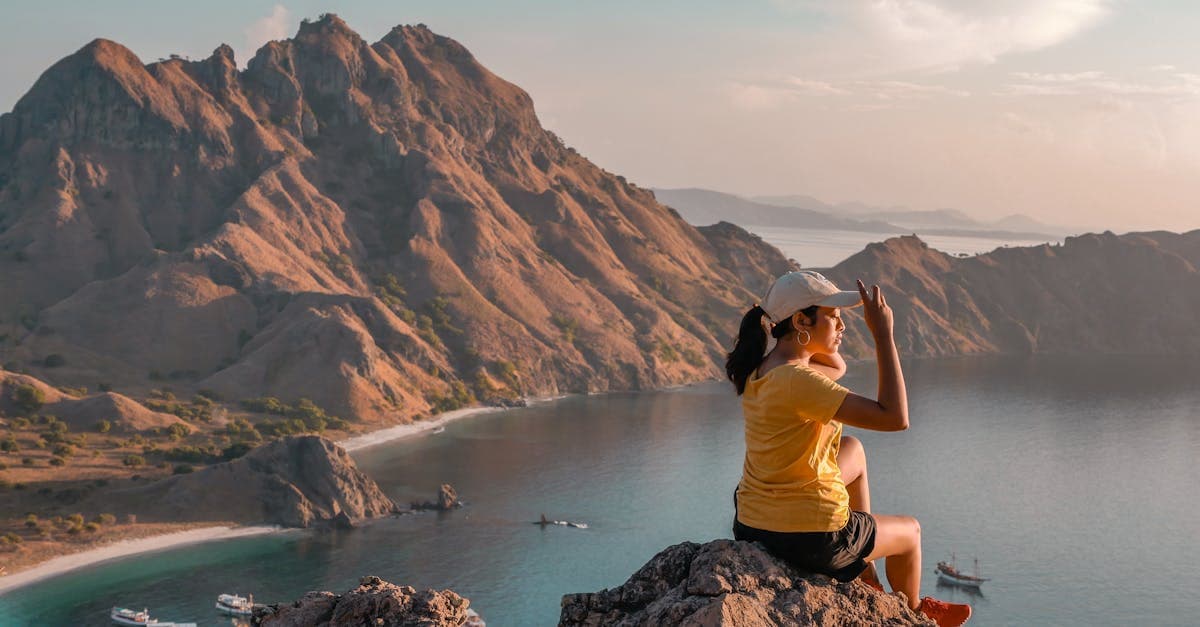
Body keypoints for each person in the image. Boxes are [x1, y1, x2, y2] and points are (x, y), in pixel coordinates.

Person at [725, 270, 971, 627]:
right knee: (911, 532)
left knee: (853, 448)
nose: (842, 326)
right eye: (834, 317)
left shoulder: (764, 369)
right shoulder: (801, 381)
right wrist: (883, 335)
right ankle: (914, 609)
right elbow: (895, 417)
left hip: (752, 523)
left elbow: (835, 365)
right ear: (800, 320)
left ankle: (863, 566)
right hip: (810, 536)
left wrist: (820, 337)